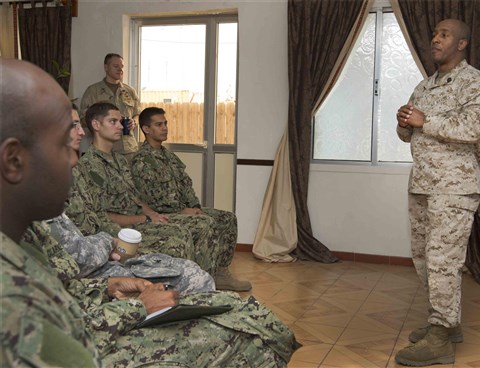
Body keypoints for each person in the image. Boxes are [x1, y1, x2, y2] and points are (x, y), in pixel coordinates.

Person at [0, 58, 299, 367]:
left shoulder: (27, 230)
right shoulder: (7, 289)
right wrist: (138, 307)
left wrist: (110, 286)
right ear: (13, 161)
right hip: (100, 341)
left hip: (99, 303)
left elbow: (66, 289)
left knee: (231, 308)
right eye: (63, 146)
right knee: (251, 333)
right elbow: (74, 347)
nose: (75, 162)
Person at [395, 19, 480, 366]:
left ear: (462, 44)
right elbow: (409, 133)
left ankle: (441, 336)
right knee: (424, 259)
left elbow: (474, 128)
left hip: (454, 188)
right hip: (423, 184)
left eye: (444, 35)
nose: (435, 39)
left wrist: (425, 121)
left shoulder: (477, 85)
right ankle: (446, 323)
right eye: (435, 34)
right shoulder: (425, 86)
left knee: (444, 262)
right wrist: (404, 123)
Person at [70, 102, 250, 291]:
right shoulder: (89, 165)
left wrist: (153, 215)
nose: (121, 126)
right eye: (113, 121)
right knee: (180, 235)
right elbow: (103, 215)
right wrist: (146, 218)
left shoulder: (119, 160)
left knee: (195, 227)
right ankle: (187, 290)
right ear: (96, 125)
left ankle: (204, 281)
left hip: (139, 219)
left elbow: (136, 198)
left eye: (119, 121)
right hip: (123, 229)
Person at [39, 106, 215, 294]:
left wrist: (150, 215)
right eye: (113, 122)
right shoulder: (79, 170)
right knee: (178, 246)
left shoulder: (103, 166)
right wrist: (118, 238)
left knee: (189, 258)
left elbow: (128, 202)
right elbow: (81, 245)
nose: (81, 132)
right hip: (104, 251)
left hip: (108, 243)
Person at [131, 106, 252, 291]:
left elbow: (186, 186)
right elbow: (153, 200)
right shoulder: (141, 160)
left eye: (165, 123)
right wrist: (184, 211)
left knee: (227, 218)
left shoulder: (169, 157)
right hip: (161, 215)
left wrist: (195, 208)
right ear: (146, 129)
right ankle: (202, 280)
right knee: (206, 224)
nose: (165, 128)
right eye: (159, 124)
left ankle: (220, 272)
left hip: (181, 210)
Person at [80, 53, 140, 159]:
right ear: (106, 67)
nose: (120, 69)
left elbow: (138, 114)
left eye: (122, 67)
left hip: (128, 149)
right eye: (116, 66)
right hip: (103, 150)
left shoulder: (129, 91)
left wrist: (134, 122)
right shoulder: (93, 91)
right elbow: (83, 120)